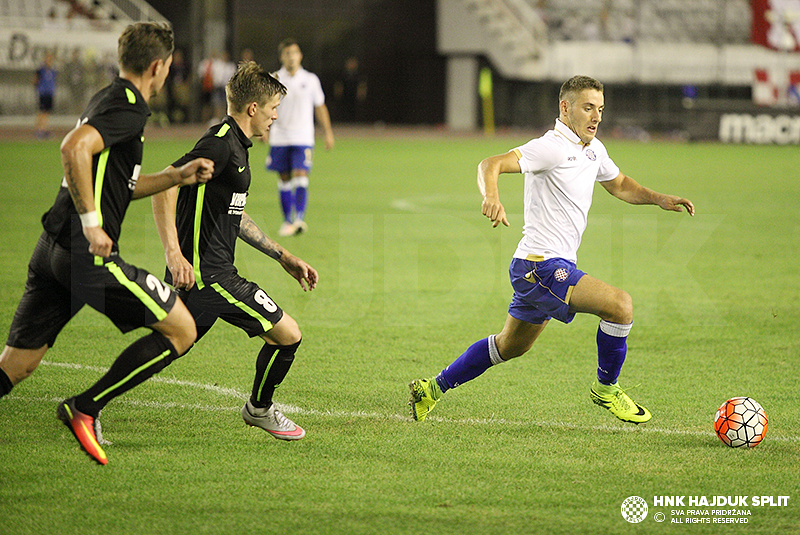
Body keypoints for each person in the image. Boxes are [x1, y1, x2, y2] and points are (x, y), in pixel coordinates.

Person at [409, 75, 695, 425]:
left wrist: (658, 199)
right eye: (588, 108)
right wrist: (492, 196)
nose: (596, 117)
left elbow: (619, 184)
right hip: (541, 265)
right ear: (565, 107)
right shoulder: (552, 147)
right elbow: (490, 164)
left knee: (508, 346)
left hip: (538, 267)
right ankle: (606, 389)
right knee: (620, 306)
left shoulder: (593, 149)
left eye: (600, 109)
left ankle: (430, 389)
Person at [0, 22, 215, 466]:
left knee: (16, 366)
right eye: (169, 67)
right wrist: (93, 224)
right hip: (84, 254)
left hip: (52, 249)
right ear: (158, 66)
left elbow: (119, 184)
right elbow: (73, 147)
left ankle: (83, 407)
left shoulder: (107, 96)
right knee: (182, 329)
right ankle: (85, 407)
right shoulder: (128, 105)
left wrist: (174, 177)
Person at [151, 61, 318, 441]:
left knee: (168, 347)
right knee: (288, 334)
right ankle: (259, 409)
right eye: (274, 108)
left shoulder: (236, 147)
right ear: (253, 109)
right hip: (208, 276)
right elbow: (165, 184)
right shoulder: (220, 143)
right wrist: (174, 255)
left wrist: (283, 255)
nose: (276, 116)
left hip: (209, 274)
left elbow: (234, 216)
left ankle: (89, 404)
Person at [266, 39, 334, 237]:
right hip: (279, 137)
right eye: (287, 53)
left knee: (301, 176)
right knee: (284, 179)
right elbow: (265, 107)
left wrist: (328, 132)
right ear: (282, 57)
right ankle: (288, 220)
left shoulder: (311, 80)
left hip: (303, 137)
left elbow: (320, 106)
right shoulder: (274, 79)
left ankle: (299, 219)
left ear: (300, 55)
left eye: (294, 53)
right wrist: (264, 130)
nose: (291, 57)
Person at [34, 52, 58, 138]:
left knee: (47, 113)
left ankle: (44, 129)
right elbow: (35, 81)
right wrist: (38, 89)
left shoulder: (53, 71)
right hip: (43, 93)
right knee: (42, 112)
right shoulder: (41, 70)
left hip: (50, 93)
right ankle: (39, 130)